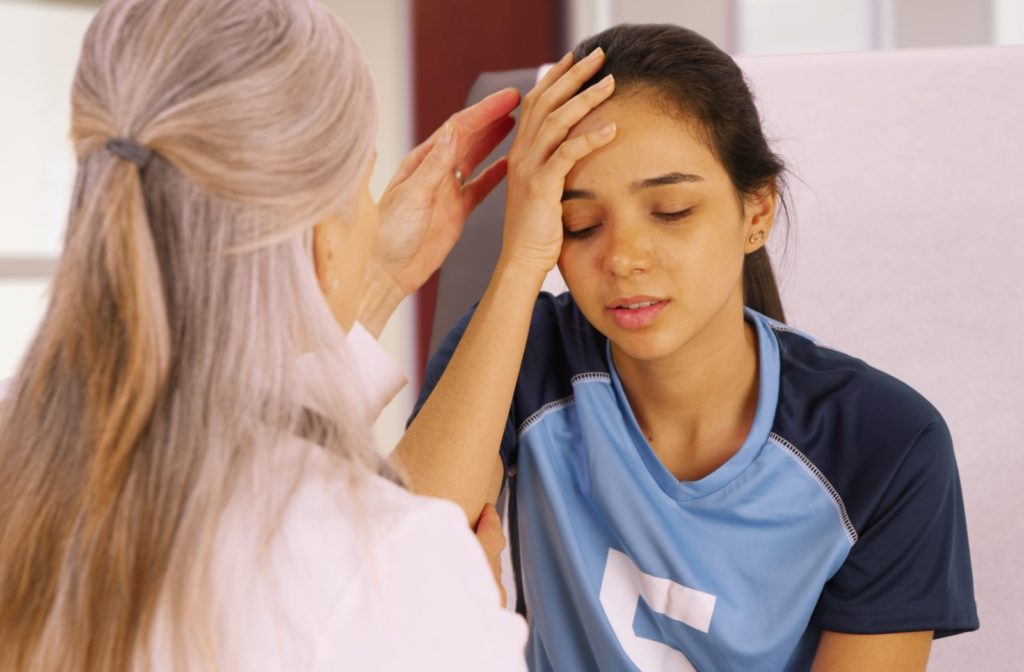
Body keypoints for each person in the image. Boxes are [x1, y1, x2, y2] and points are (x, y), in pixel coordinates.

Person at [398, 24, 979, 671]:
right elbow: (396, 575)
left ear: (756, 211)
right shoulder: (520, 357)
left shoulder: (886, 443)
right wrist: (519, 263)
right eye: (579, 223)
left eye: (670, 210)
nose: (623, 258)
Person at [0, 0, 528, 669]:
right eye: (362, 184)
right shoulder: (387, 568)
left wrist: (380, 278)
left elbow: (225, 422)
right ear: (323, 237)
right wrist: (466, 613)